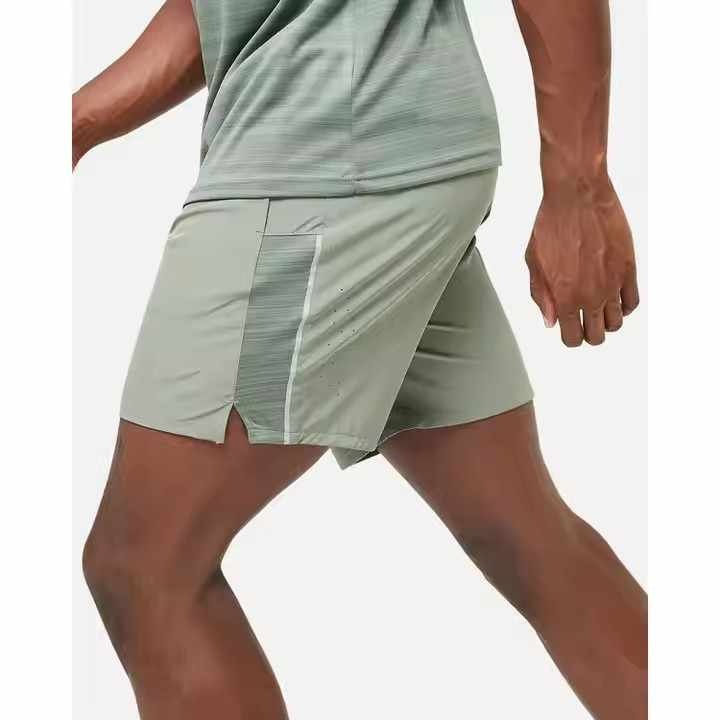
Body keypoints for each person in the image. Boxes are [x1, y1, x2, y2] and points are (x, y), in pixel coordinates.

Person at [73, 1, 646, 718]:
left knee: (145, 568)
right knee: (525, 538)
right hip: (379, 165)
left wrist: (579, 185)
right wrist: (74, 123)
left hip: (321, 182)